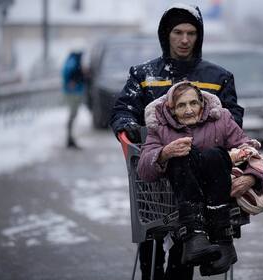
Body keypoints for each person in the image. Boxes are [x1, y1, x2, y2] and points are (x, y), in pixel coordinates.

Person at [109, 3, 246, 280]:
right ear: (165, 35)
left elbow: (232, 119)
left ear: (200, 36)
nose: (185, 40)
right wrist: (128, 127)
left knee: (187, 244)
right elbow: (123, 109)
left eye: (191, 33)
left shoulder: (218, 78)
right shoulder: (144, 75)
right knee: (151, 242)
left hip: (200, 177)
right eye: (177, 32)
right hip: (156, 182)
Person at [137, 81, 263, 276]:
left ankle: (222, 239)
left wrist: (251, 177)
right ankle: (196, 235)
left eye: (193, 103)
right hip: (174, 205)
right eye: (181, 105)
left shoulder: (221, 119)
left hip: (216, 199)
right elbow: (143, 170)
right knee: (180, 157)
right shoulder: (160, 127)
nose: (189, 110)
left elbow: (249, 150)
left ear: (202, 103)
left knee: (215, 155)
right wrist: (165, 153)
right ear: (171, 110)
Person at [62, 50, 86, 149]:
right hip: (73, 93)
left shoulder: (72, 61)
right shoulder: (73, 63)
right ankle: (69, 138)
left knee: (73, 115)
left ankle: (70, 137)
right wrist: (72, 82)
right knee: (72, 114)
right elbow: (70, 75)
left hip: (74, 92)